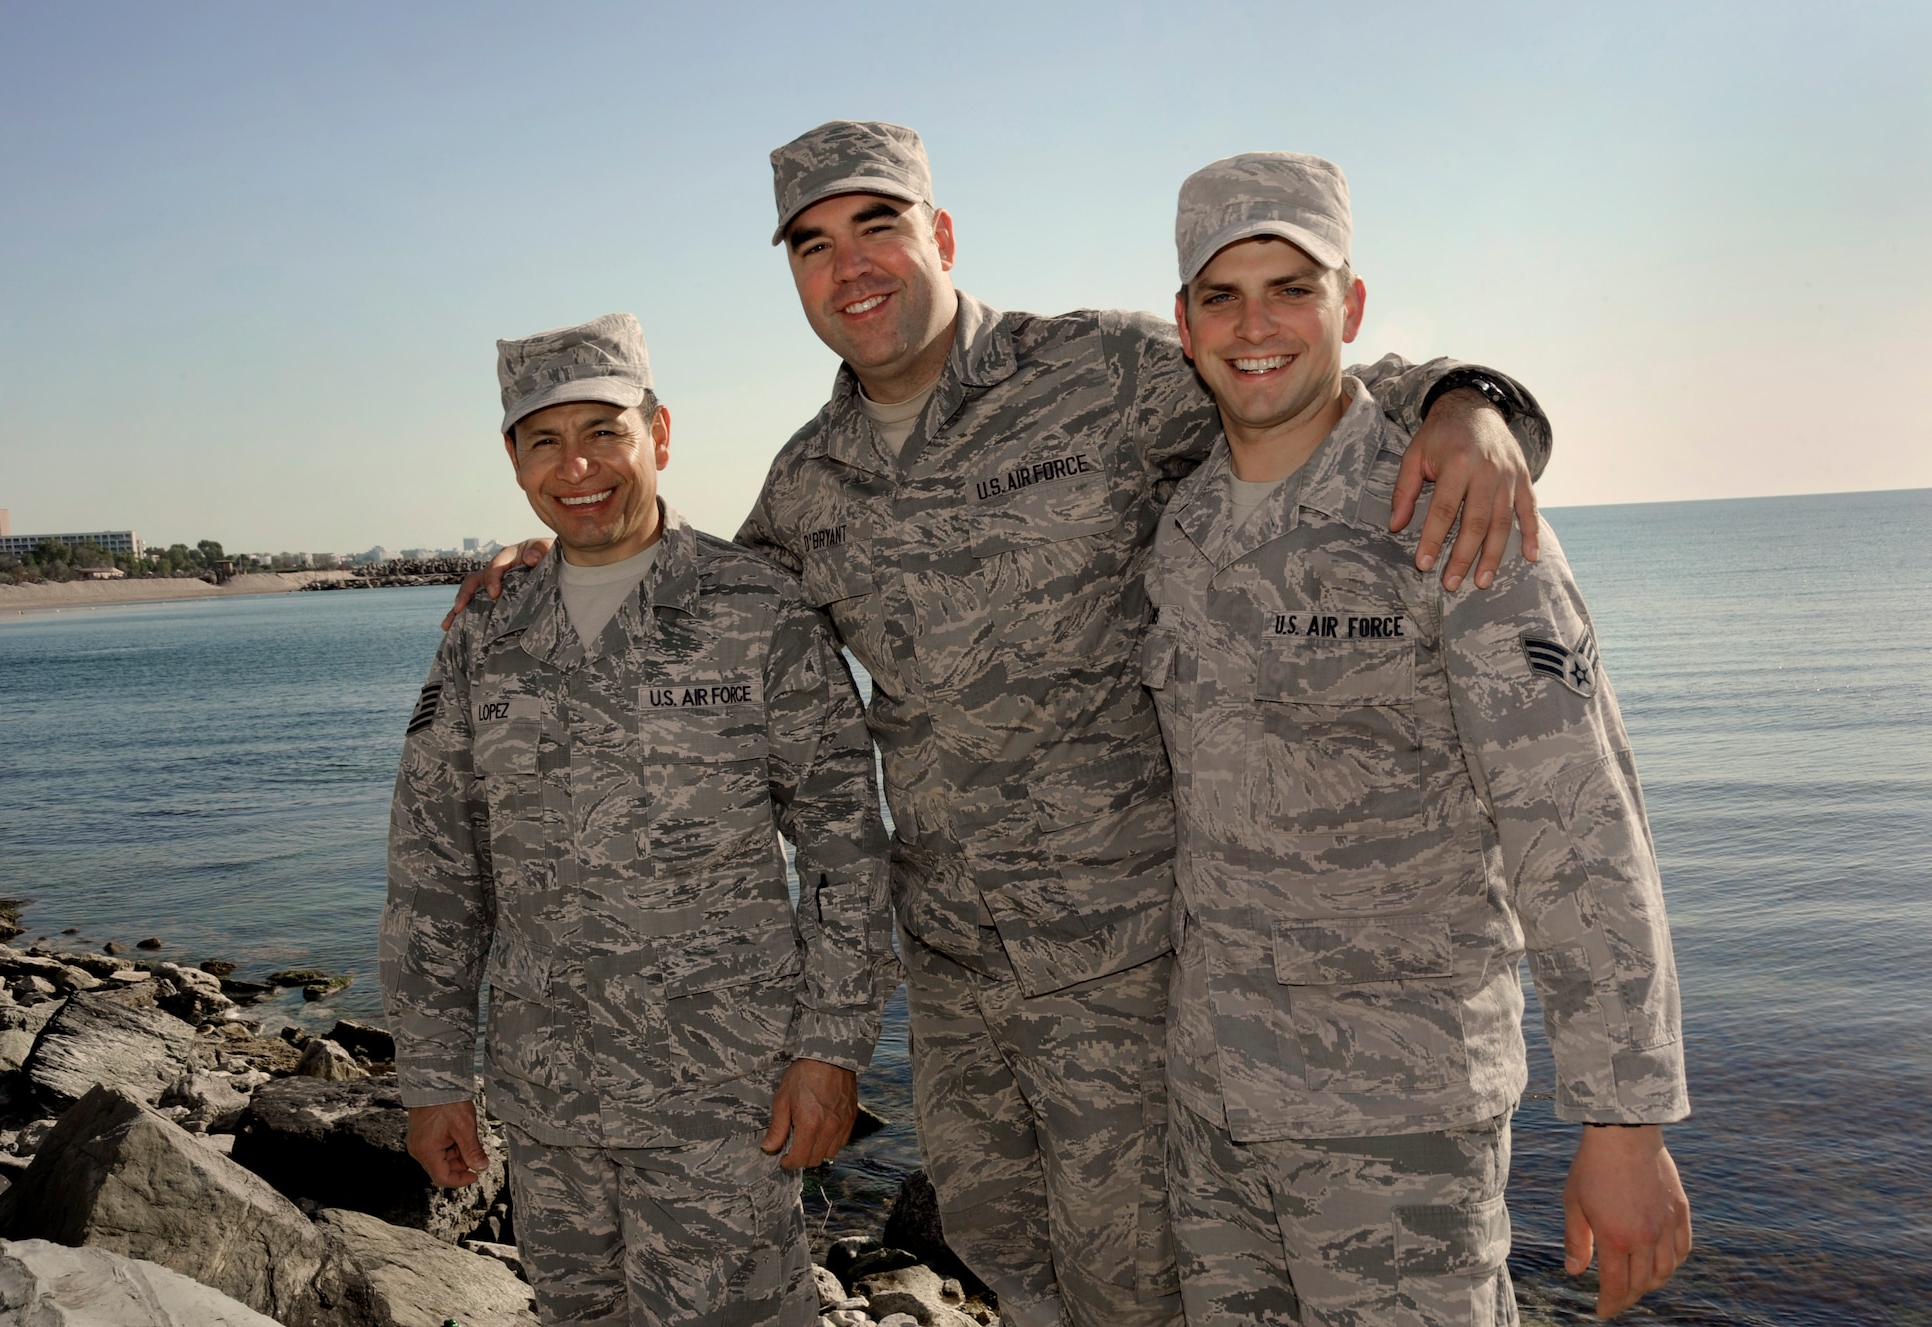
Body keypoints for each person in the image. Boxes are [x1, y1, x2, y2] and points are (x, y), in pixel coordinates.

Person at [452, 121, 1552, 1327]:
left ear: (942, 236)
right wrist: (553, 553)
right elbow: (704, 598)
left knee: (1151, 1280)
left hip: (1128, 959)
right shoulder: (807, 480)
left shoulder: (1099, 372)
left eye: (879, 225)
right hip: (956, 970)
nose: (851, 265)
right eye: (813, 246)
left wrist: (1475, 404)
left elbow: (1300, 379)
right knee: (1002, 1248)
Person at [1144, 152, 1691, 1326]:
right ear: (1181, 322)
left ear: (1347, 305)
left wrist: (1623, 1121)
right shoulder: (1181, 528)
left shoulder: (1452, 513)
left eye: (1291, 288)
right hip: (1211, 1105)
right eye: (1222, 295)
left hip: (1396, 1119)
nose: (1256, 326)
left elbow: (1577, 825)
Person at [382, 313, 896, 1325]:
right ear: (515, 461)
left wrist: (831, 1048)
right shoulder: (486, 631)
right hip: (549, 1104)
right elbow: (437, 866)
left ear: (658, 436)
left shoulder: (757, 609)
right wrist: (432, 1072)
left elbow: (844, 847)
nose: (578, 465)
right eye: (545, 440)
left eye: (603, 431)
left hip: (722, 1101)